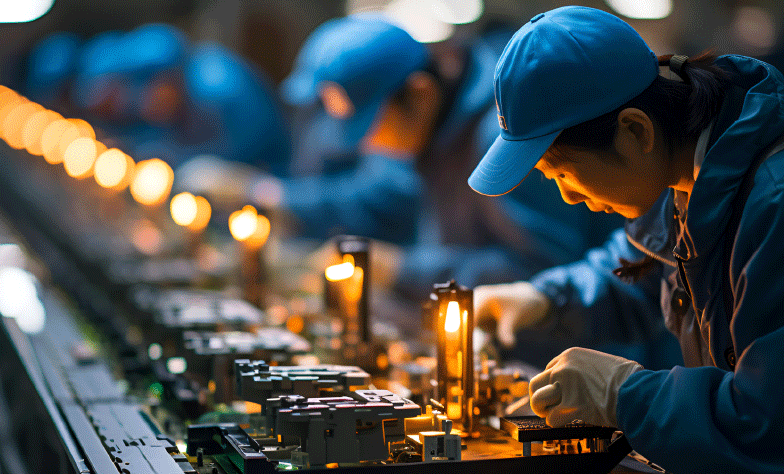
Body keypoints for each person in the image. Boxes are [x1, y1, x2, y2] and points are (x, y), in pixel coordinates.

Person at [468, 6, 784, 474]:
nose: (568, 197)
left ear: (635, 131)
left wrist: (623, 393)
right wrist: (545, 298)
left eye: (563, 173)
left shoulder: (781, 203)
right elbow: (641, 273)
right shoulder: (683, 180)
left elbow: (771, 425)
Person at [177, 15, 621, 298]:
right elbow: (373, 197)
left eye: (371, 125)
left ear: (421, 94)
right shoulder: (424, 132)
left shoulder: (499, 137)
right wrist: (272, 196)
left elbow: (543, 271)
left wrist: (401, 268)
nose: (366, 145)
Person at [71, 23, 291, 171]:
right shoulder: (184, 89)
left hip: (270, 179)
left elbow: (227, 160)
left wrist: (170, 157)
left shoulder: (217, 89)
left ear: (171, 74)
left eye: (150, 85)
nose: (142, 101)